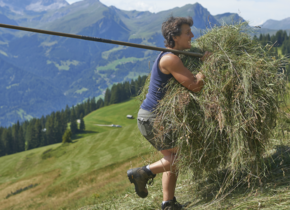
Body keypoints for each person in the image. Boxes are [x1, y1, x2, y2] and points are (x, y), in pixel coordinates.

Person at [127, 16, 208, 210]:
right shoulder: (170, 58)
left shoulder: (171, 55)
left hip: (151, 117)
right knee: (180, 157)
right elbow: (195, 86)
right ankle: (142, 172)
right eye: (187, 32)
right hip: (153, 119)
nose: (192, 35)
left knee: (172, 160)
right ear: (175, 37)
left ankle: (168, 203)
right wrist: (206, 66)